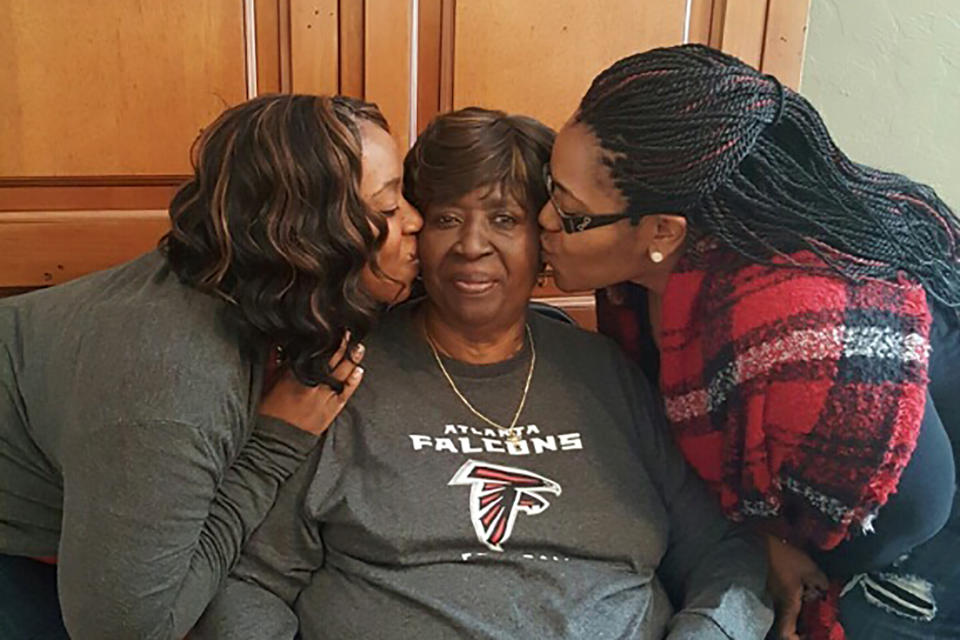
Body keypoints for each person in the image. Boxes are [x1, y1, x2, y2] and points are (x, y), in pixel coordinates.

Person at [191, 106, 772, 640]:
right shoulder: (339, 373)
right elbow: (251, 580)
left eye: (503, 218)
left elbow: (723, 554)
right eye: (446, 217)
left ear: (544, 236)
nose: (472, 245)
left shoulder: (610, 376)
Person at [537, 43, 960, 639]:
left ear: (662, 231)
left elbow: (919, 504)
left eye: (569, 213)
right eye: (548, 187)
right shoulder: (663, 266)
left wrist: (787, 546)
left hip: (909, 522)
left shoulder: (799, 339)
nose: (543, 221)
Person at [0, 94, 422, 640]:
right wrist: (273, 446)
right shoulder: (171, 385)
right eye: (387, 209)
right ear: (304, 241)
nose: (415, 221)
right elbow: (127, 631)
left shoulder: (252, 282)